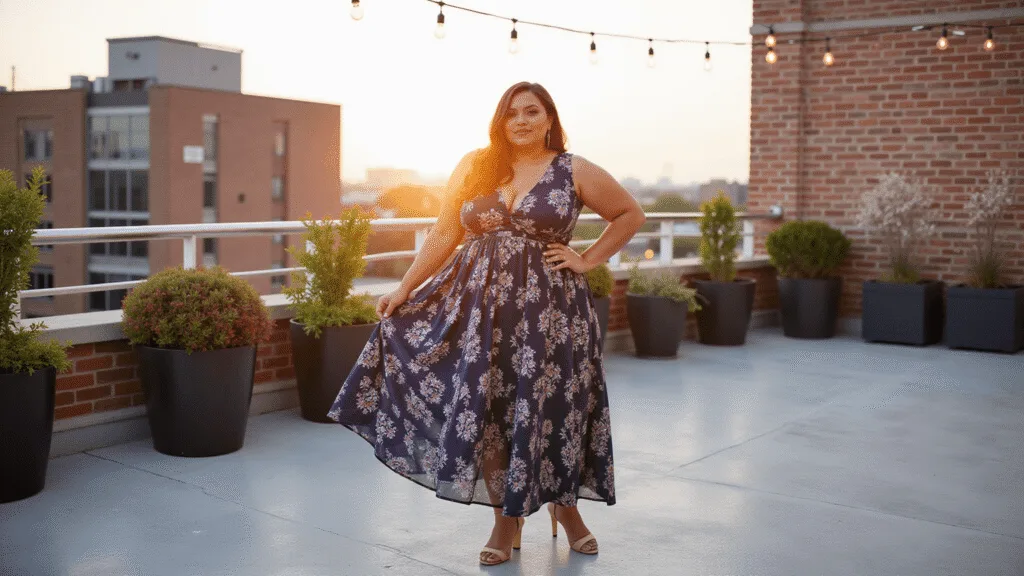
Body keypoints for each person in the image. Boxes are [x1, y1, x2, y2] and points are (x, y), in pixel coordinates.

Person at [327, 81, 646, 566]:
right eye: (511, 113)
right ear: (500, 120)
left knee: (557, 406)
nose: (521, 120)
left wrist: (587, 260)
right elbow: (444, 231)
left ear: (548, 119)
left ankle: (566, 509)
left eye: (531, 111)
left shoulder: (573, 168)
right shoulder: (476, 166)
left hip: (552, 313)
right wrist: (405, 287)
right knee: (492, 407)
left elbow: (629, 214)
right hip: (480, 312)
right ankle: (505, 518)